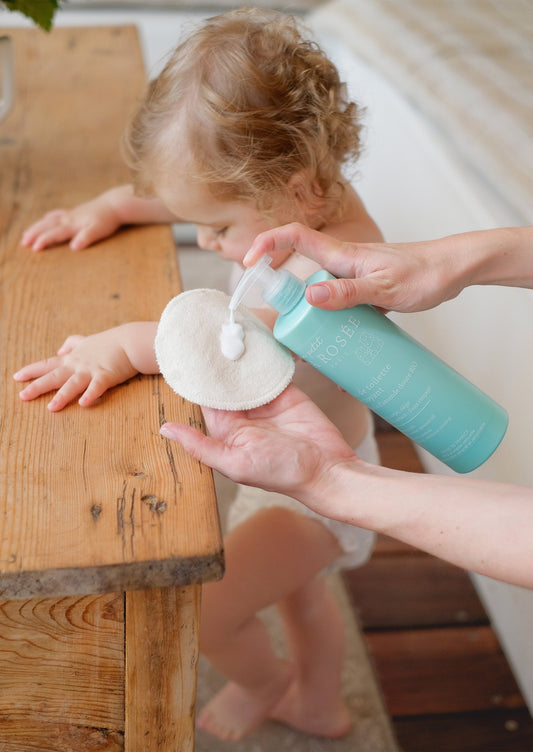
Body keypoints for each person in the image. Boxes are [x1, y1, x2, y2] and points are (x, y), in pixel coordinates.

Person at [15, 10, 385, 741]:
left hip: (327, 489)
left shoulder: (337, 265)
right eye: (197, 222)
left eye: (215, 226)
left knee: (209, 612)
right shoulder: (297, 194)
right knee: (301, 596)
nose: (205, 240)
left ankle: (267, 683)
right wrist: (113, 205)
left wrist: (127, 346)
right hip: (291, 462)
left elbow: (234, 348)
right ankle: (318, 701)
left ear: (296, 189)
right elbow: (192, 190)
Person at [159, 223, 533, 590]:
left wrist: (328, 479)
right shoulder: (292, 324)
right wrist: (440, 262)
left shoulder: (319, 279)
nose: (206, 238)